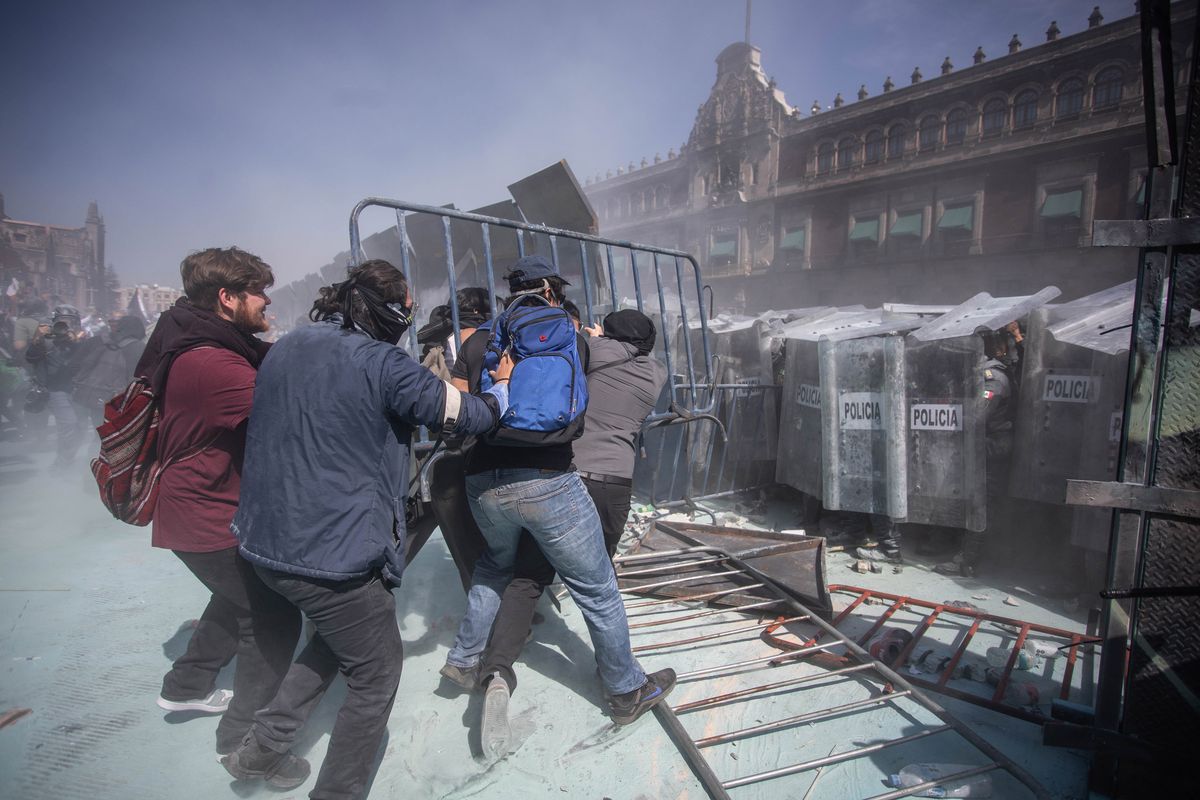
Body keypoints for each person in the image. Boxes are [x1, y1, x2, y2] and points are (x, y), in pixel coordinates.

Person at [222, 260, 513, 800]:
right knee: (376, 673)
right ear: (382, 309)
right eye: (403, 309)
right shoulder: (383, 364)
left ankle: (260, 749)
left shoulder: (287, 346)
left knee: (340, 643)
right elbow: (463, 414)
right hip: (330, 555)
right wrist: (500, 388)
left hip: (262, 540)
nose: (407, 319)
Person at [440, 255, 676, 730]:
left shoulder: (478, 340)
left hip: (482, 478)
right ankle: (625, 689)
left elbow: (457, 414)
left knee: (494, 566)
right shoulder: (567, 337)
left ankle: (464, 660)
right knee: (597, 587)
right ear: (549, 290)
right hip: (548, 478)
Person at [476, 308, 668, 759]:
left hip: (564, 479)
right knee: (599, 586)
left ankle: (497, 670)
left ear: (608, 333)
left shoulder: (587, 350)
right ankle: (620, 681)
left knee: (528, 576)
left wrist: (591, 335)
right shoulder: (655, 372)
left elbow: (567, 352)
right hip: (613, 484)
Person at [138, 247, 302, 764]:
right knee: (272, 617)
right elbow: (297, 414)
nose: (267, 300)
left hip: (199, 509)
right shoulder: (214, 363)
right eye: (258, 292)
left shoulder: (205, 342)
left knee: (235, 599)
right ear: (227, 298)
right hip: (207, 515)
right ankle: (242, 741)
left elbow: (276, 359)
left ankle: (186, 686)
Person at [936, 322, 1022, 577]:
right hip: (985, 446)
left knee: (982, 506)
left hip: (992, 447)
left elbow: (977, 416)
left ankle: (968, 561)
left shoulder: (992, 377)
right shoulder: (981, 373)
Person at [24, 304, 88, 467]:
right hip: (55, 389)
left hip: (79, 389)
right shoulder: (46, 339)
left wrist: (77, 342)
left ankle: (65, 458)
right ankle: (62, 464)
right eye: (61, 321)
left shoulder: (82, 339)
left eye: (69, 321)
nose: (65, 325)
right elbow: (30, 358)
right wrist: (37, 338)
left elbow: (87, 360)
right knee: (68, 423)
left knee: (81, 428)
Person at [71, 314, 147, 425]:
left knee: (97, 427)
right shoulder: (138, 347)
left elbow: (77, 364)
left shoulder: (101, 341)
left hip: (95, 395)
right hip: (119, 398)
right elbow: (138, 376)